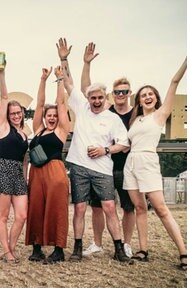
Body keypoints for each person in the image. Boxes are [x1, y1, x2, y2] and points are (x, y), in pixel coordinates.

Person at [123, 38, 187, 270]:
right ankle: (143, 249)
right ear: (138, 99)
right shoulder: (135, 119)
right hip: (131, 163)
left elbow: (174, 81)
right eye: (143, 94)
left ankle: (184, 252)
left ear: (156, 98)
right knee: (139, 208)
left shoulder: (160, 115)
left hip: (148, 161)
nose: (147, 97)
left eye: (151, 94)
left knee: (160, 208)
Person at [57, 37, 131, 262]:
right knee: (79, 208)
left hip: (103, 169)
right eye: (93, 97)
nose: (96, 101)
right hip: (79, 166)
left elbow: (124, 144)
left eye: (100, 97)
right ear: (87, 98)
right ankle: (77, 248)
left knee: (109, 206)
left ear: (105, 98)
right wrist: (64, 58)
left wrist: (105, 150)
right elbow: (68, 82)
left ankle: (118, 249)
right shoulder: (81, 107)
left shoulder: (112, 119)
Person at [80, 42, 136, 258]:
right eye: (117, 91)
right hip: (102, 167)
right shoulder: (106, 111)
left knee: (127, 207)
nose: (121, 94)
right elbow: (87, 89)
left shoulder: (135, 114)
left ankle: (127, 244)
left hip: (126, 167)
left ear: (129, 93)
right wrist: (86, 64)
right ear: (111, 95)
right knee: (97, 206)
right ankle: (96, 243)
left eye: (125, 91)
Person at [26, 64, 70, 264]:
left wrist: (60, 80)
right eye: (48, 116)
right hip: (36, 172)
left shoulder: (61, 130)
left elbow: (61, 103)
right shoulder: (38, 130)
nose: (51, 118)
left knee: (56, 208)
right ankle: (37, 247)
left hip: (55, 171)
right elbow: (39, 104)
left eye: (54, 116)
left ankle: (58, 249)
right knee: (35, 207)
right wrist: (43, 80)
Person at [0, 54, 28, 263]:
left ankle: (10, 247)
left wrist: (25, 176)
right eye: (12, 113)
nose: (15, 115)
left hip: (19, 175)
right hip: (3, 172)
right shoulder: (4, 128)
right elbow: (4, 98)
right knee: (3, 216)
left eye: (18, 112)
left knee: (21, 216)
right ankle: (7, 251)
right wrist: (2, 74)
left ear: (22, 113)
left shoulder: (24, 133)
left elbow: (24, 159)